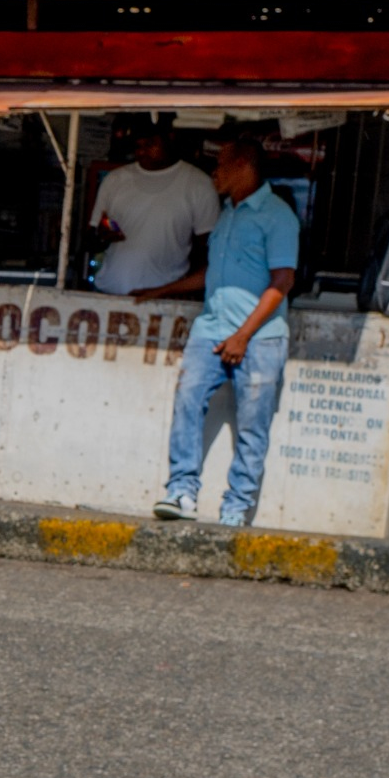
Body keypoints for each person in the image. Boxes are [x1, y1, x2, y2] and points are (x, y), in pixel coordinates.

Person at [142, 131, 298, 525]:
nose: (214, 172)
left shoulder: (278, 216)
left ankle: (236, 508)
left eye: (221, 164)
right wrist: (163, 289)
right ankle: (181, 493)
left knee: (252, 425)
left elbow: (282, 282)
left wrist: (243, 335)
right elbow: (214, 273)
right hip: (211, 328)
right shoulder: (226, 213)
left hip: (260, 339)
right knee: (187, 401)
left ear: (244, 166)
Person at [88, 116, 220, 296]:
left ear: (170, 138)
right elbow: (92, 238)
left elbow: (207, 251)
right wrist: (103, 235)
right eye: (138, 146)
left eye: (150, 144)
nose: (142, 152)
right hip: (110, 292)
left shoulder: (198, 185)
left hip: (165, 298)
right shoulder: (115, 180)